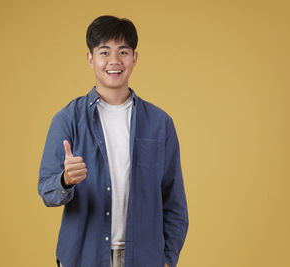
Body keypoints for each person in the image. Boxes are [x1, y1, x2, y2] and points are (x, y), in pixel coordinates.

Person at [38, 15, 189, 267]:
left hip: (144, 258)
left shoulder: (160, 123)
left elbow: (174, 202)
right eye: (104, 52)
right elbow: (47, 191)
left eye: (123, 52)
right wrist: (65, 180)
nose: (114, 61)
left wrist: (167, 259)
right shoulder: (68, 119)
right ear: (90, 59)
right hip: (83, 256)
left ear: (134, 58)